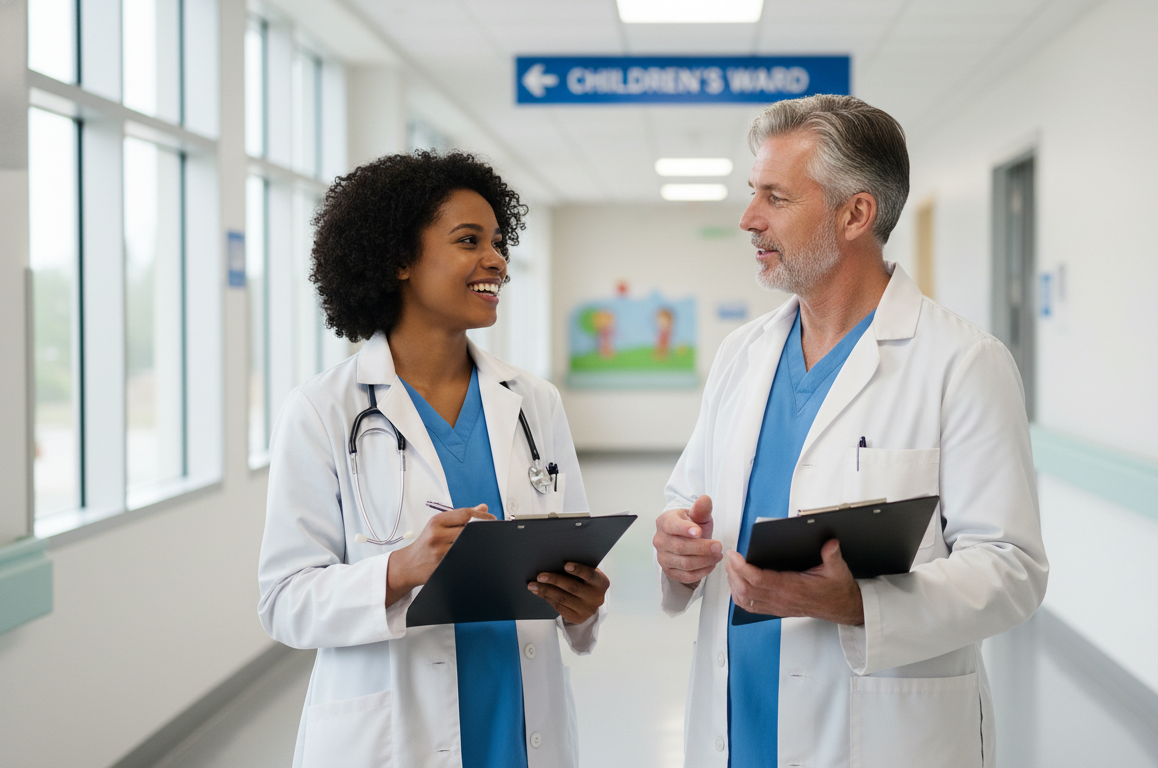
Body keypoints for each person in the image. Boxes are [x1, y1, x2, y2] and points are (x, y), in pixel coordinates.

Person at [652, 95, 1048, 767]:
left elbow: (1013, 569)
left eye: (775, 198)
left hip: (880, 735)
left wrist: (864, 603)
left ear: (855, 214)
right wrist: (677, 544)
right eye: (753, 194)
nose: (748, 220)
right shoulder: (741, 357)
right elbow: (688, 497)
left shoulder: (963, 363)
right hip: (739, 723)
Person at [258, 150, 607, 768]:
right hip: (395, 734)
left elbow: (572, 554)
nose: (496, 260)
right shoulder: (323, 410)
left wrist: (581, 604)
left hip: (521, 725)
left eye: (498, 242)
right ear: (398, 261)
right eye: (469, 241)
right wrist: (400, 569)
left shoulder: (533, 403)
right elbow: (285, 602)